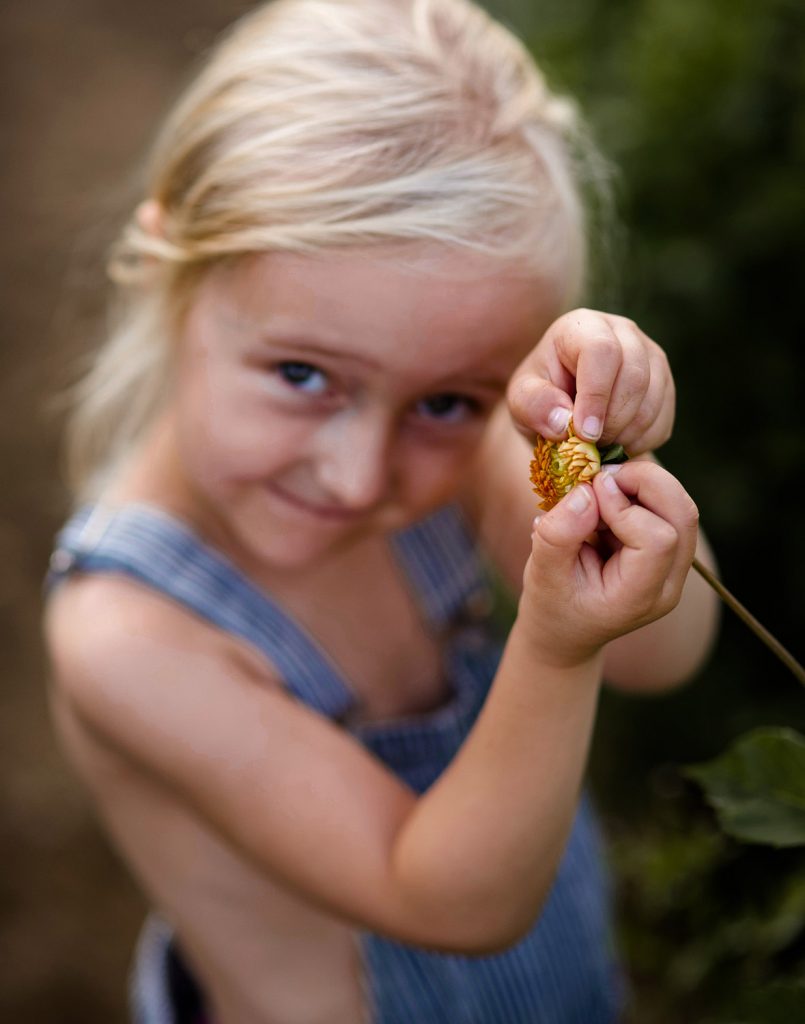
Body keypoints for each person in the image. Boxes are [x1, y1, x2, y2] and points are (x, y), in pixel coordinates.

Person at [43, 0, 719, 1021]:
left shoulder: (477, 448)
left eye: (448, 399)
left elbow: (659, 655)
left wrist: (605, 460)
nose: (360, 477)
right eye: (304, 374)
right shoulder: (127, 632)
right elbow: (440, 896)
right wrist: (554, 642)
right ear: (169, 270)